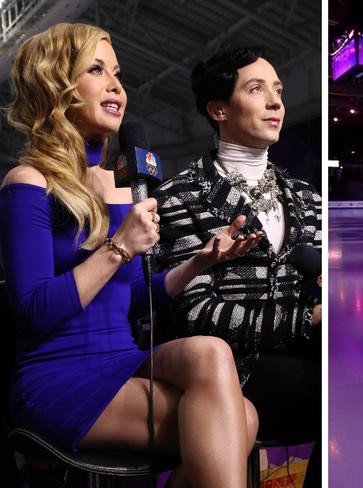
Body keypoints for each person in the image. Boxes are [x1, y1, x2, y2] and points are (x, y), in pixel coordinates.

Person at [0, 23, 263, 488]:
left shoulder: (121, 185)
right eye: (96, 70)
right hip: (58, 375)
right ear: (56, 84)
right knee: (236, 420)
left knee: (219, 367)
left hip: (123, 359)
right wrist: (118, 246)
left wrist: (200, 261)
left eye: (117, 72)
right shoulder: (28, 182)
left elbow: (132, 296)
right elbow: (33, 312)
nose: (117, 86)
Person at [153, 47, 322, 485]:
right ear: (218, 109)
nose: (276, 102)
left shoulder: (307, 197)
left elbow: (321, 286)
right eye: (256, 89)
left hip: (308, 357)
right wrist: (304, 320)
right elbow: (195, 314)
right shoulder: (178, 196)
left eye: (279, 91)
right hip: (234, 373)